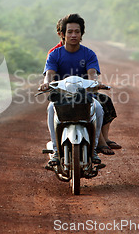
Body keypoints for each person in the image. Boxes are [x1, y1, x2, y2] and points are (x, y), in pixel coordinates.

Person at [40, 13, 113, 166]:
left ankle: (93, 149)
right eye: (70, 32)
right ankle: (55, 150)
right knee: (50, 109)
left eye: (77, 32)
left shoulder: (89, 54)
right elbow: (49, 75)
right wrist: (46, 83)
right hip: (62, 96)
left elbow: (92, 74)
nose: (74, 35)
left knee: (99, 108)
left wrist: (95, 83)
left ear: (81, 34)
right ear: (63, 35)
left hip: (84, 96)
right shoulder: (54, 54)